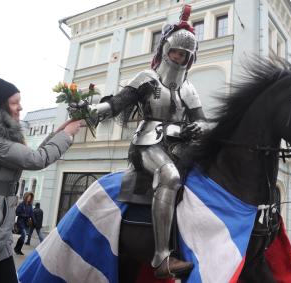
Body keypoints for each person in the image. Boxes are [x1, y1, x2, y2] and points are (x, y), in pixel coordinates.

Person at [87, 6, 210, 279]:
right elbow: (119, 102)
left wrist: (197, 128)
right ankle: (161, 257)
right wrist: (92, 111)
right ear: (166, 50)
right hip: (148, 143)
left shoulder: (189, 88)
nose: (179, 58)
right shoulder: (147, 78)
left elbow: (202, 119)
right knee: (169, 176)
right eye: (176, 52)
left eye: (185, 55)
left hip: (181, 145)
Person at [0, 76, 81, 283]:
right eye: (14, 102)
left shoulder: (0, 137)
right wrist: (66, 136)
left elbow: (28, 154)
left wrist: (60, 131)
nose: (20, 107)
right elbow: (36, 160)